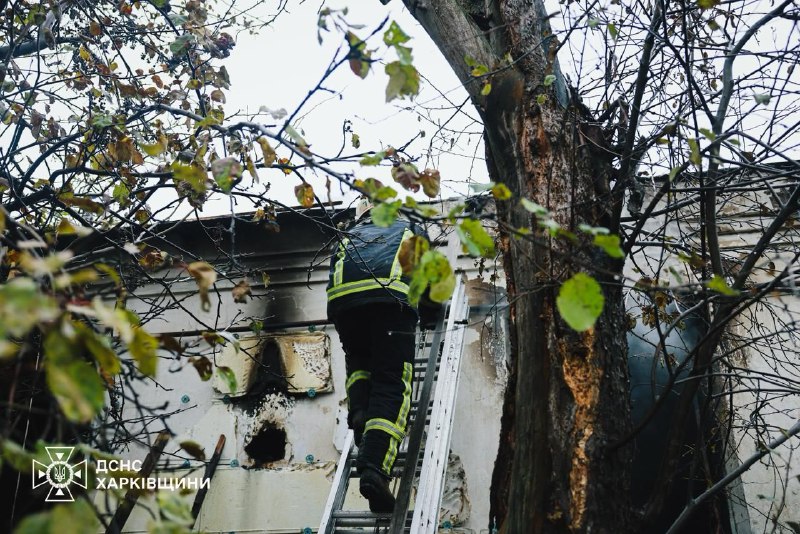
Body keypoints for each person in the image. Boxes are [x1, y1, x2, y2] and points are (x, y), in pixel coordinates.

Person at [326, 197, 437, 513]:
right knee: (391, 382)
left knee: (360, 364)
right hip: (390, 304)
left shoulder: (349, 235)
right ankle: (374, 467)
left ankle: (361, 410)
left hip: (345, 308)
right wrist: (431, 315)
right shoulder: (410, 229)